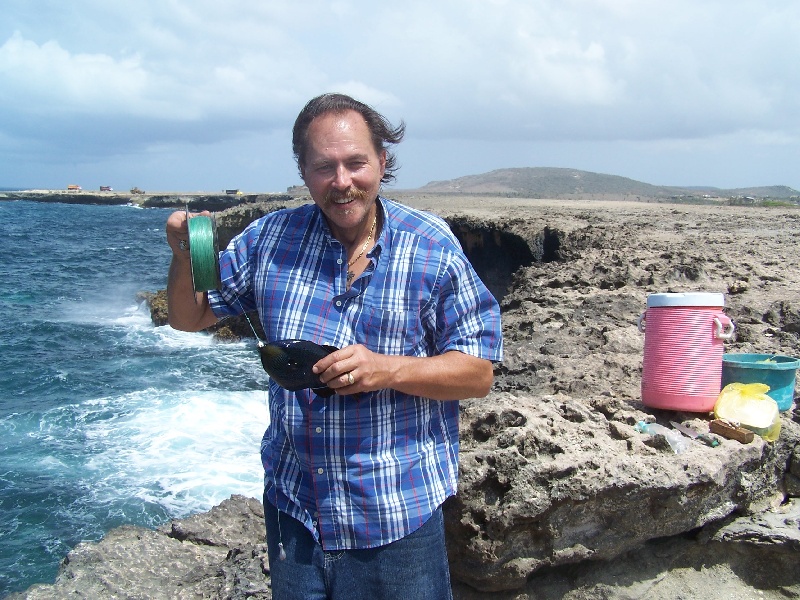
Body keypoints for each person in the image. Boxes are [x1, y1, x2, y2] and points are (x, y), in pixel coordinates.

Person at [165, 93, 503, 599]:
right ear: (303, 171)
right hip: (296, 511)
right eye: (324, 166)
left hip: (396, 516)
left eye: (356, 163)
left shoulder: (431, 246)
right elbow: (189, 316)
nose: (342, 181)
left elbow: (478, 374)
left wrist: (386, 370)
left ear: (382, 162)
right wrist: (182, 255)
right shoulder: (269, 239)